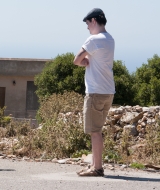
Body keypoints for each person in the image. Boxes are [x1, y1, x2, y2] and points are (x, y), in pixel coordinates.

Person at [73, 8, 115, 177]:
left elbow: (76, 60)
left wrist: (85, 63)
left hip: (95, 92)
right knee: (97, 129)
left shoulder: (93, 39)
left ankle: (97, 168)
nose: (87, 27)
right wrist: (89, 60)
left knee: (94, 131)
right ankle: (93, 165)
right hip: (108, 91)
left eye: (88, 23)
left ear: (94, 21)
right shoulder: (110, 39)